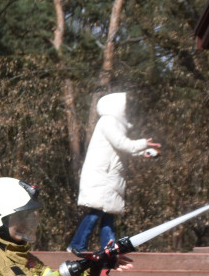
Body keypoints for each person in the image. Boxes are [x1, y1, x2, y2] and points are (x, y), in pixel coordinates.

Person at [67, 92, 160, 253]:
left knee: (107, 213)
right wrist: (143, 143)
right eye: (125, 107)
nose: (126, 111)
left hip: (108, 177)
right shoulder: (108, 121)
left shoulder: (113, 124)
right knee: (96, 211)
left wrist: (141, 152)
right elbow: (122, 144)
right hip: (103, 177)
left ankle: (107, 249)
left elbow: (120, 148)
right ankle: (77, 245)